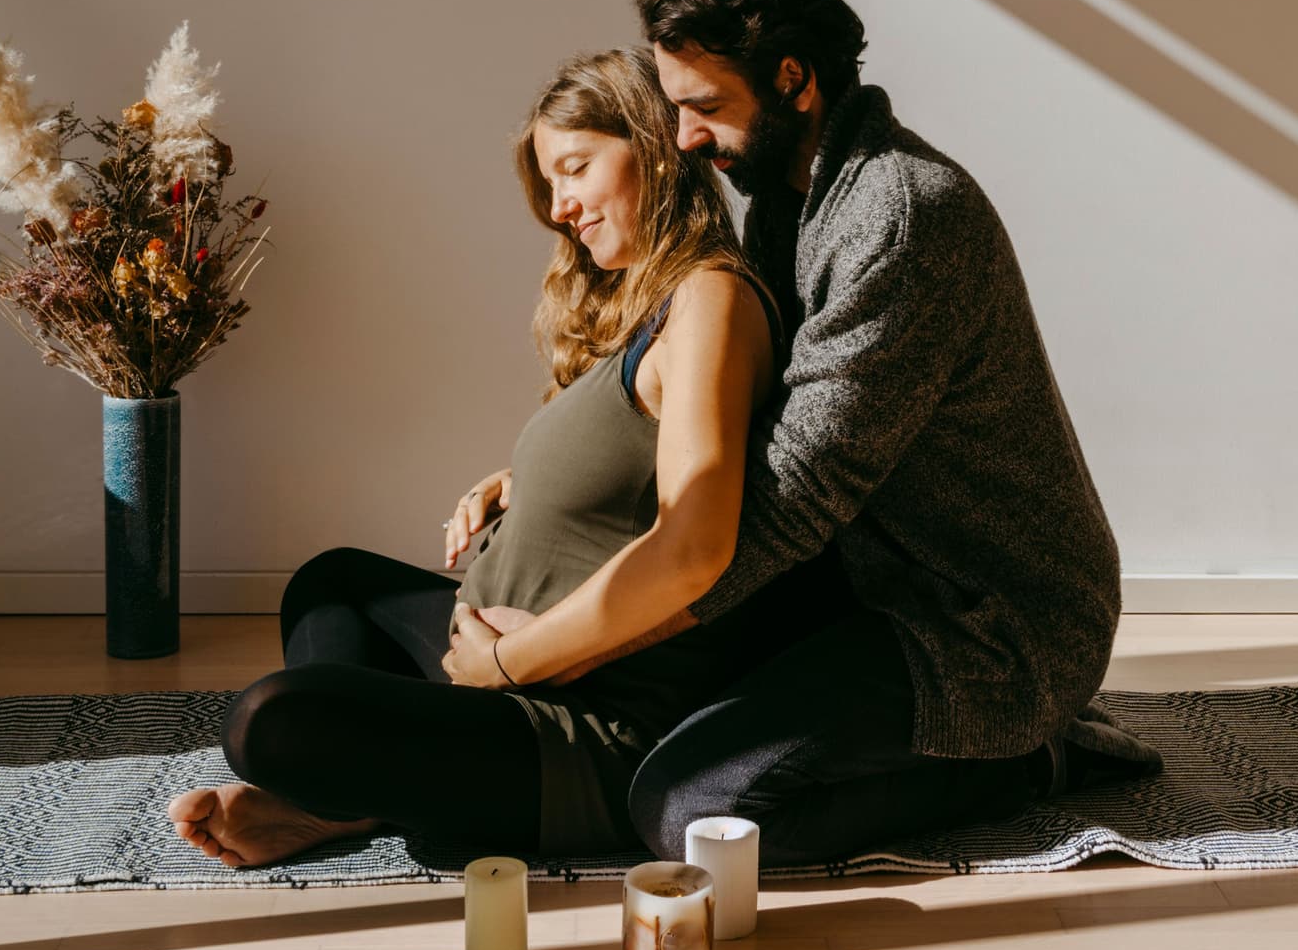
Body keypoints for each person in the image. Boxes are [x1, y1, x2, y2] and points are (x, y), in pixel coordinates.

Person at [451, 0, 1163, 868]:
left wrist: (553, 650)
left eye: (706, 107)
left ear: (793, 80)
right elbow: (743, 429)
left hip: (980, 624)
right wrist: (540, 479)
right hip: (857, 587)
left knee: (691, 812)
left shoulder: (900, 217)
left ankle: (1035, 756)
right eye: (674, 108)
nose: (685, 139)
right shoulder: (786, 205)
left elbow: (793, 500)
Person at [165, 46, 835, 867]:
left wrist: (511, 663)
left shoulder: (712, 298)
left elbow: (696, 545)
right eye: (550, 185)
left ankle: (347, 797)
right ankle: (363, 794)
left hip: (573, 725)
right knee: (329, 586)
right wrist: (529, 482)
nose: (560, 207)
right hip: (489, 661)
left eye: (576, 169)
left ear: (657, 147)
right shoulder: (647, 306)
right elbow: (648, 457)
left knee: (267, 722)